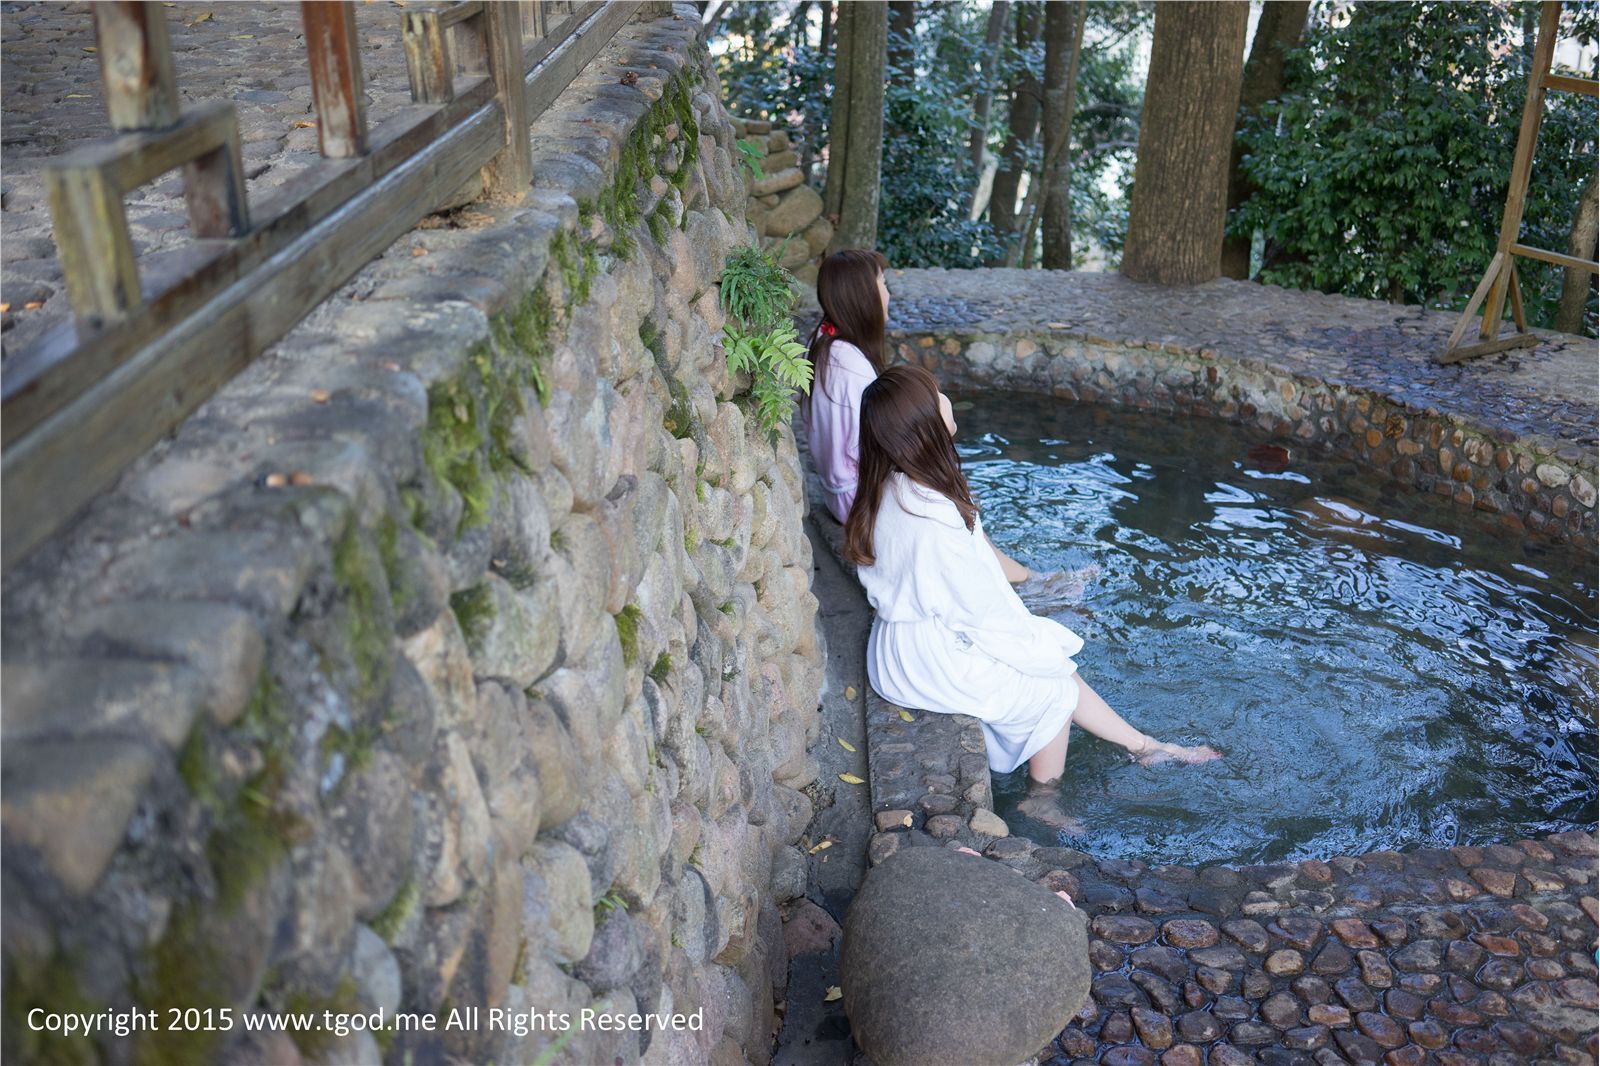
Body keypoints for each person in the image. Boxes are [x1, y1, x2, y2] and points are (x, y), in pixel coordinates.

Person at [843, 365, 1219, 826]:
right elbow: (981, 611)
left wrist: (1041, 599)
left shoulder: (897, 487)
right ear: (925, 423)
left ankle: (1147, 747)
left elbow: (975, 576)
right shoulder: (932, 515)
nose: (946, 395)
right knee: (1052, 687)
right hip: (928, 659)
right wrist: (1039, 644)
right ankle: (1041, 798)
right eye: (937, 391)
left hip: (900, 645)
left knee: (1052, 659)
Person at [801, 248, 1089, 609]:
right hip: (857, 500)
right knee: (951, 500)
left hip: (839, 492)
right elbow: (880, 445)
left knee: (949, 493)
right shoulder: (853, 369)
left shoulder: (824, 345)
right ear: (862, 296)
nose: (888, 294)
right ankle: (1032, 584)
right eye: (882, 284)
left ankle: (1027, 579)